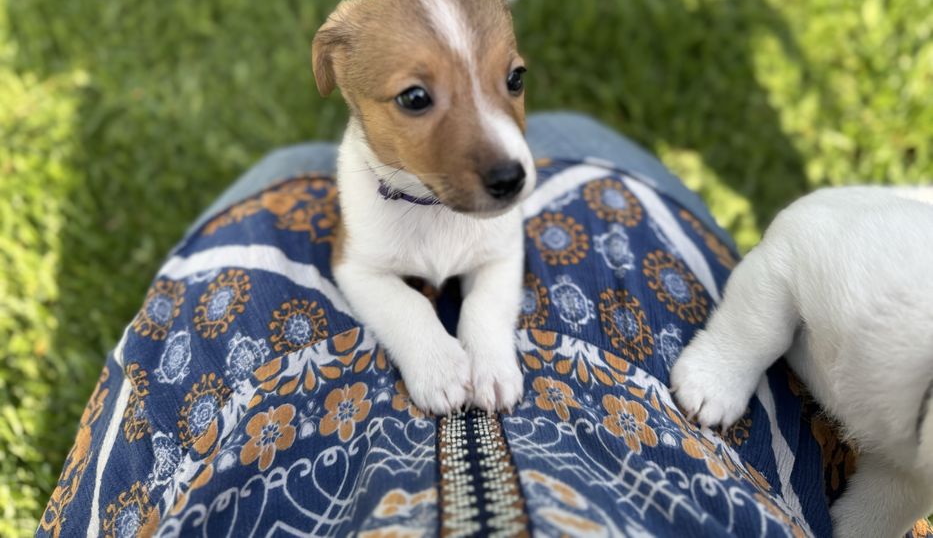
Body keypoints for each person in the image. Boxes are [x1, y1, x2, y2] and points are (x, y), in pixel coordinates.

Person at [37, 112, 930, 537]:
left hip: (255, 424)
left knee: (295, 175)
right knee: (547, 151)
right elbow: (807, 242)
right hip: (688, 345)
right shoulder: (886, 281)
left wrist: (474, 337)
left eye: (509, 82)